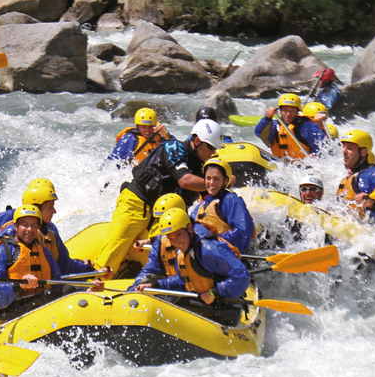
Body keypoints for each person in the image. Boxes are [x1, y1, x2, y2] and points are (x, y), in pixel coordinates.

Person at [93, 119, 223, 278]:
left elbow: (207, 198)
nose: (212, 152)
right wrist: (217, 184)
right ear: (197, 141)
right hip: (136, 202)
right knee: (114, 247)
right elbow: (184, 180)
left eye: (214, 148)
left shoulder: (200, 168)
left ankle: (156, 285)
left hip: (160, 215)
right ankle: (95, 283)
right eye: (210, 147)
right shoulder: (174, 147)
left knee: (164, 252)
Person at [131, 208, 252, 324]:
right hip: (204, 303)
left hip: (224, 309)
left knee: (170, 306)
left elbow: (242, 276)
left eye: (178, 235)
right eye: (171, 239)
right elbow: (185, 279)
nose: (176, 243)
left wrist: (214, 293)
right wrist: (154, 285)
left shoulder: (209, 249)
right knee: (165, 300)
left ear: (189, 228)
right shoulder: (185, 249)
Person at [0, 205, 101, 313]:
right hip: (12, 307)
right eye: (25, 224)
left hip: (40, 302)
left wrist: (86, 289)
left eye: (34, 225)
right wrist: (19, 286)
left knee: (67, 289)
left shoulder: (43, 252)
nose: (29, 229)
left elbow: (57, 284)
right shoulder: (3, 252)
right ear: (16, 226)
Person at [0, 178, 94, 274]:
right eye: (50, 207)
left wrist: (86, 269)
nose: (55, 211)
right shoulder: (11, 223)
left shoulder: (50, 230)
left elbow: (63, 263)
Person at [187, 157, 255, 252]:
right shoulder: (201, 205)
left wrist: (214, 241)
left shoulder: (231, 200)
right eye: (208, 178)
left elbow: (243, 233)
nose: (211, 183)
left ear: (226, 181)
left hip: (227, 256)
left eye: (217, 179)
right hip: (206, 256)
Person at [254, 93, 326, 160]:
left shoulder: (307, 126)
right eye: (285, 110)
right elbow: (259, 133)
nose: (288, 114)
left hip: (304, 165)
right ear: (280, 111)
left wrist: (315, 156)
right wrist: (267, 118)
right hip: (281, 164)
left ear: (297, 112)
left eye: (292, 110)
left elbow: (324, 147)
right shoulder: (275, 125)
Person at [108, 107, 172, 166]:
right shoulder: (129, 139)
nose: (148, 130)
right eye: (143, 126)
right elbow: (113, 161)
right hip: (137, 173)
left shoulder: (161, 136)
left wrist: (166, 136)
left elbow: (177, 151)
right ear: (137, 126)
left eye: (150, 126)